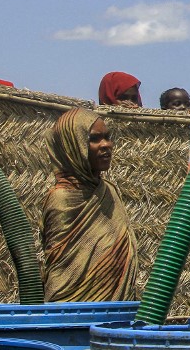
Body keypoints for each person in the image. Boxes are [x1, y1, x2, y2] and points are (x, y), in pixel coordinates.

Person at [39, 108, 138, 302]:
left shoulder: (108, 191)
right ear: (72, 146)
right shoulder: (62, 200)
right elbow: (63, 269)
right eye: (94, 139)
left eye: (108, 137)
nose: (106, 145)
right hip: (71, 312)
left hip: (118, 311)